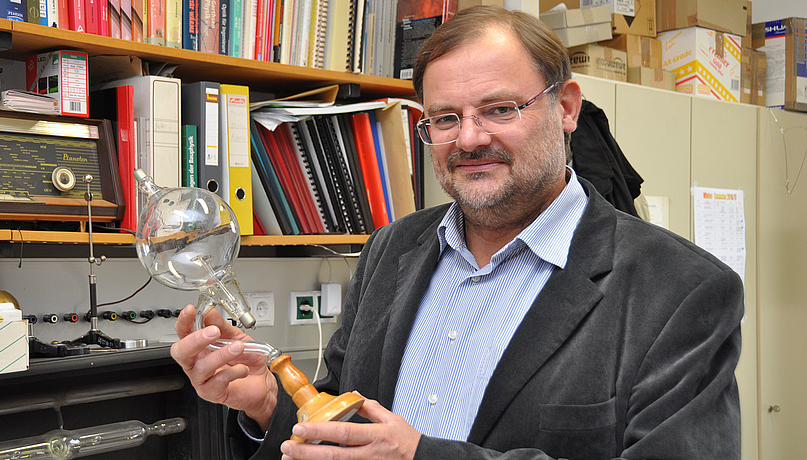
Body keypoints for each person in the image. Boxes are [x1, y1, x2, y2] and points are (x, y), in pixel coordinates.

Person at [170, 5, 744, 459]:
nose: (468, 139)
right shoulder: (391, 249)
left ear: (566, 108)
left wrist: (422, 458)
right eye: (445, 118)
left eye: (499, 109)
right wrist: (272, 404)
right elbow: (338, 419)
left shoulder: (681, 290)